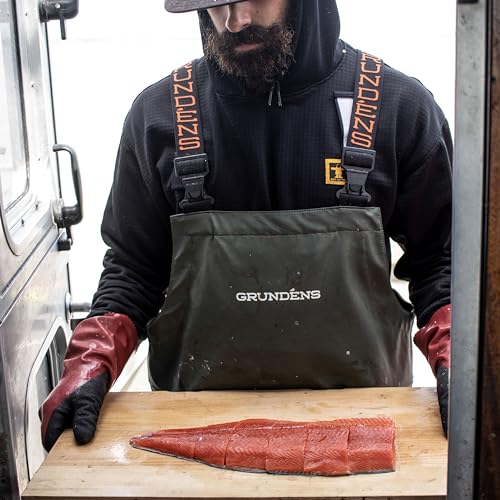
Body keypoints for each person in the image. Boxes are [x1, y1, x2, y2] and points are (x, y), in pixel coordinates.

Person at [40, 0, 452, 452]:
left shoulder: (398, 107)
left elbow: (442, 261)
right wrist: (91, 361)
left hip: (363, 432)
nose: (235, 21)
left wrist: (461, 360)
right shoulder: (158, 117)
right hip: (192, 436)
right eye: (216, 3)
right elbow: (134, 269)